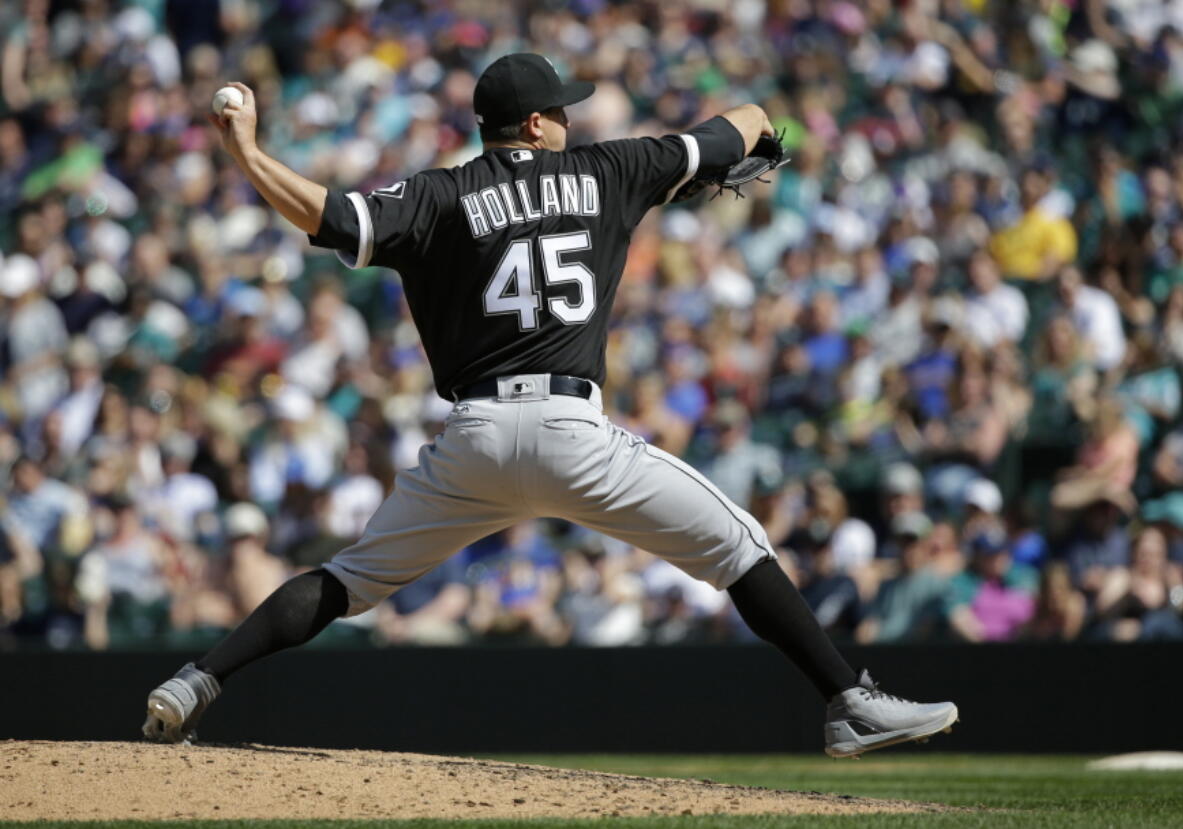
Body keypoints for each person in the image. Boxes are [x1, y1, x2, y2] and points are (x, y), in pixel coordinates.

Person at [140, 54, 957, 759]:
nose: (571, 117)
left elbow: (327, 214)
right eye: (560, 108)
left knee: (347, 580)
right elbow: (744, 119)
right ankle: (848, 701)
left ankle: (197, 677)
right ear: (532, 125)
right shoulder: (611, 170)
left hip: (473, 441)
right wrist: (764, 136)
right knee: (738, 545)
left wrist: (246, 151)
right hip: (573, 434)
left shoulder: (438, 196)